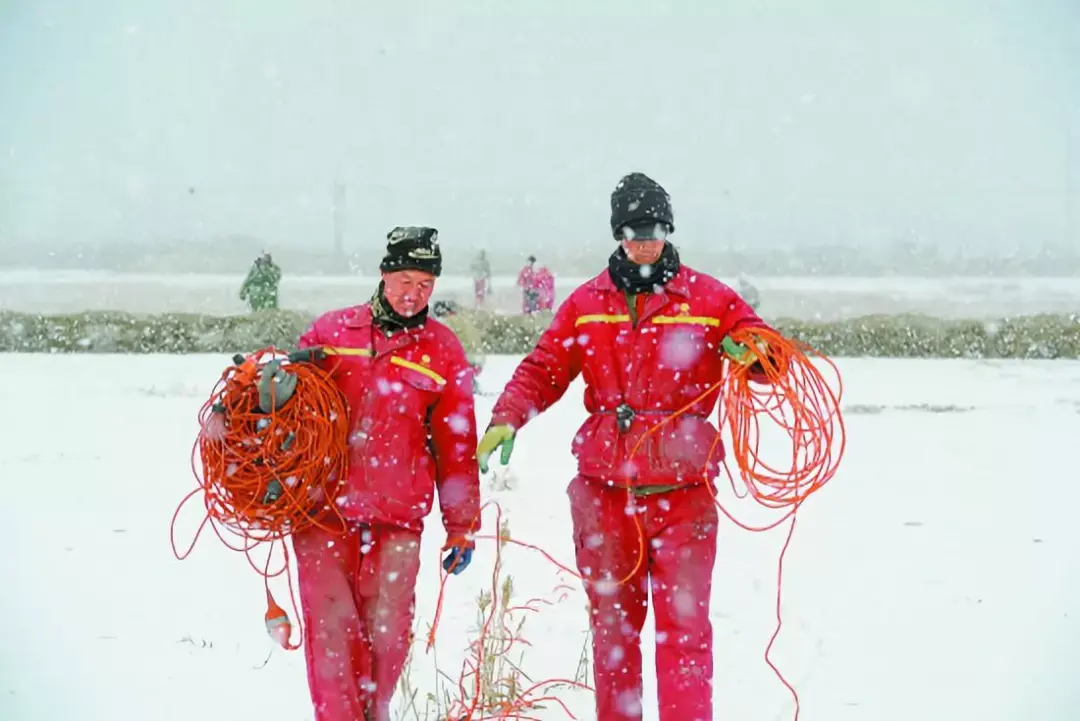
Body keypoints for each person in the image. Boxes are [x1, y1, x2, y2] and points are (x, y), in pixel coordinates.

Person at [476, 173, 775, 721]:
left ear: (669, 229)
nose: (646, 240)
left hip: (684, 499)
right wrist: (507, 416)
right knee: (613, 638)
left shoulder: (709, 299)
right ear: (618, 233)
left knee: (685, 636)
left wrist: (756, 354)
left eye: (655, 229)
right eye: (635, 230)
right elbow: (545, 368)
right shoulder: (588, 302)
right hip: (605, 499)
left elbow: (768, 355)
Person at [292, 226, 481, 721]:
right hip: (322, 513)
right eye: (404, 279)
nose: (412, 293)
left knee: (388, 640)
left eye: (424, 284)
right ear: (383, 274)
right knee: (332, 640)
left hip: (397, 520)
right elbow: (284, 400)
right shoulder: (332, 333)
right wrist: (230, 417)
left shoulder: (442, 351)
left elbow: (456, 447)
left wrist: (461, 525)